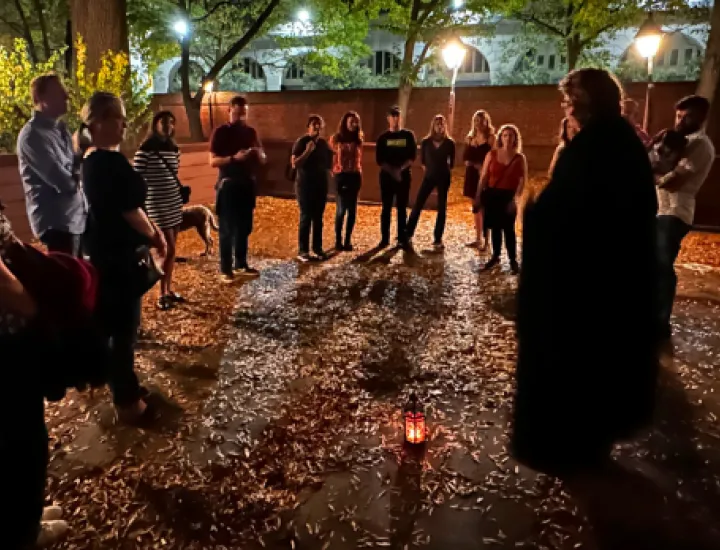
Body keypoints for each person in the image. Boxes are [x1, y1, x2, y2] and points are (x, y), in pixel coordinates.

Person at [512, 68, 660, 476]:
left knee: (581, 367)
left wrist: (535, 206)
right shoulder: (618, 142)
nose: (568, 108)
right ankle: (590, 440)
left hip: (587, 288)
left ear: (587, 102)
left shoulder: (599, 146)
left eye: (571, 101)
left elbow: (571, 213)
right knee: (598, 367)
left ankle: (576, 445)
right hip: (606, 282)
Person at [81, 92, 167, 424]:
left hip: (103, 254)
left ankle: (120, 385)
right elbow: (130, 209)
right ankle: (127, 401)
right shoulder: (108, 162)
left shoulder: (90, 160)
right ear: (98, 122)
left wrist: (151, 228)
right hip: (118, 258)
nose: (124, 123)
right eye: (118, 117)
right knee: (123, 331)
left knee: (115, 327)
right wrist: (155, 235)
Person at [0, 210, 70, 548]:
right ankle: (23, 531)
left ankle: (24, 513)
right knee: (22, 440)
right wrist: (41, 312)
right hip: (6, 341)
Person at [655, 95, 715, 341]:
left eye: (687, 116)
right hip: (663, 211)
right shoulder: (681, 140)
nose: (680, 121)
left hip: (676, 212)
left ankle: (660, 320)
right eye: (678, 116)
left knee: (662, 266)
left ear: (701, 117)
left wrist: (659, 174)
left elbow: (675, 179)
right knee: (656, 265)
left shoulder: (699, 144)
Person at [17, 73, 86, 256]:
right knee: (70, 281)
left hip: (76, 219)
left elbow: (73, 171)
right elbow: (65, 184)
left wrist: (81, 153)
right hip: (57, 224)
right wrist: (79, 169)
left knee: (85, 279)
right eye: (58, 92)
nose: (66, 96)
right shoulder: (32, 136)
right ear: (40, 99)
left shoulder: (61, 129)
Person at [209, 95, 266, 282]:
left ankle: (240, 264)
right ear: (230, 110)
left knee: (244, 227)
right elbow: (213, 161)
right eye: (238, 111)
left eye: (244, 112)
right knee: (226, 228)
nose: (241, 115)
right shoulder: (221, 132)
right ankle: (225, 269)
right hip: (228, 184)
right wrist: (234, 158)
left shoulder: (251, 132)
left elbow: (263, 156)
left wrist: (260, 154)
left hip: (247, 185)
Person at [133, 111, 185, 310]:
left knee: (172, 251)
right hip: (156, 202)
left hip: (173, 201)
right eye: (163, 122)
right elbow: (137, 178)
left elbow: (175, 172)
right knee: (167, 248)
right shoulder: (145, 149)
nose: (167, 126)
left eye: (171, 122)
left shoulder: (173, 148)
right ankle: (160, 293)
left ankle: (168, 289)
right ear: (155, 124)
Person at [477, 124, 527, 274]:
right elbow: (484, 176)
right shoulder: (491, 155)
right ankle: (496, 255)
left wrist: (515, 199)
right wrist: (478, 195)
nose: (507, 138)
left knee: (509, 229)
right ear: (500, 137)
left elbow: (522, 180)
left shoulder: (519, 158)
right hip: (493, 194)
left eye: (511, 135)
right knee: (496, 228)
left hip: (508, 196)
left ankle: (513, 260)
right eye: (505, 135)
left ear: (515, 139)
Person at [406, 114, 456, 249]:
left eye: (442, 124)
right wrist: (430, 172)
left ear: (445, 126)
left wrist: (442, 171)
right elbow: (422, 161)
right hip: (429, 177)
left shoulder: (450, 143)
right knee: (418, 204)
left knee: (442, 208)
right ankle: (408, 232)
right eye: (437, 124)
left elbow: (451, 163)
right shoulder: (426, 142)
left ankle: (438, 237)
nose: (440, 127)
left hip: (444, 178)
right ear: (433, 126)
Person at [291, 115, 332, 262]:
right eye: (314, 124)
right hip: (305, 186)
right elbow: (294, 164)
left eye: (319, 124)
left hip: (320, 185)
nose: (317, 127)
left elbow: (329, 163)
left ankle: (317, 248)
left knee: (318, 218)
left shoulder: (323, 144)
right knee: (306, 216)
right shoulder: (301, 142)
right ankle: (303, 250)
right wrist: (307, 151)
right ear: (308, 127)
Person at [375, 106, 417, 249]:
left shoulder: (408, 136)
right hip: (387, 177)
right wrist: (393, 172)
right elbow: (380, 160)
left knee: (402, 208)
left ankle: (401, 237)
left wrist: (400, 170)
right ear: (388, 119)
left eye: (397, 116)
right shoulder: (383, 138)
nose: (395, 119)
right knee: (386, 208)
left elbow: (412, 156)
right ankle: (384, 238)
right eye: (393, 116)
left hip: (403, 177)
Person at [329, 111, 363, 251]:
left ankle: (348, 240)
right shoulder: (336, 139)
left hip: (354, 175)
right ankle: (338, 240)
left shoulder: (358, 138)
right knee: (341, 209)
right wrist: (335, 172)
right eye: (351, 122)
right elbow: (331, 158)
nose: (354, 125)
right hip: (341, 175)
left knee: (352, 210)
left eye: (356, 122)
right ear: (345, 123)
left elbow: (358, 159)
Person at [463, 110, 495, 250]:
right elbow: (464, 157)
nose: (479, 123)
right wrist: (471, 163)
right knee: (475, 206)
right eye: (476, 120)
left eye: (481, 120)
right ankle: (477, 238)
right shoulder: (470, 138)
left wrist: (483, 167)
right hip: (471, 174)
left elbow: (494, 157)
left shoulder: (491, 138)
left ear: (486, 122)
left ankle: (487, 241)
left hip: (485, 175)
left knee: (485, 207)